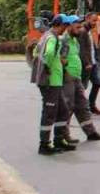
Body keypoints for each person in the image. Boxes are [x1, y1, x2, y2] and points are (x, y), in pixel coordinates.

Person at [59, 16, 100, 143]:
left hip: (76, 77)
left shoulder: (74, 40)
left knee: (83, 106)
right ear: (69, 26)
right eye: (77, 27)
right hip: (68, 78)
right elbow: (61, 59)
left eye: (80, 26)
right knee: (68, 107)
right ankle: (64, 135)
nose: (80, 29)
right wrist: (66, 73)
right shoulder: (64, 40)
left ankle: (91, 132)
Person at [31, 15, 73, 155]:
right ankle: (44, 144)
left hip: (55, 81)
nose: (65, 29)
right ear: (59, 25)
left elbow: (35, 51)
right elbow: (48, 53)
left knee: (63, 110)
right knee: (49, 113)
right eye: (65, 26)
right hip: (50, 82)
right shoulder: (52, 38)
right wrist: (48, 67)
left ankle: (59, 140)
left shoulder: (46, 36)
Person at [81, 11, 100, 115]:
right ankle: (80, 108)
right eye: (93, 20)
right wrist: (87, 63)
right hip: (86, 64)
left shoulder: (90, 31)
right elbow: (82, 50)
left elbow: (92, 47)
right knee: (82, 87)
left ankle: (91, 106)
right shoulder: (82, 31)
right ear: (87, 19)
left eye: (96, 20)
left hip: (93, 62)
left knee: (97, 83)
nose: (95, 23)